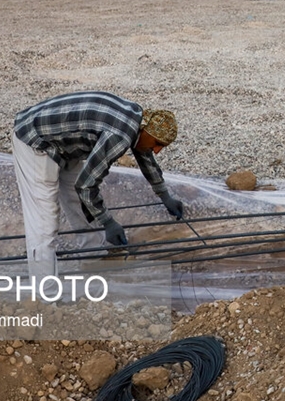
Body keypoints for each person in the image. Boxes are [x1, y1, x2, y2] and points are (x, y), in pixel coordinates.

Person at [12, 91, 184, 280]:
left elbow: (144, 154)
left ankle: (93, 257)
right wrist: (108, 222)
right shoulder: (119, 136)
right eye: (158, 143)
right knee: (44, 220)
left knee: (77, 200)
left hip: (61, 144)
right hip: (34, 139)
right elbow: (86, 186)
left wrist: (164, 194)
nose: (157, 150)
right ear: (147, 131)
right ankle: (44, 295)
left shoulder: (137, 119)